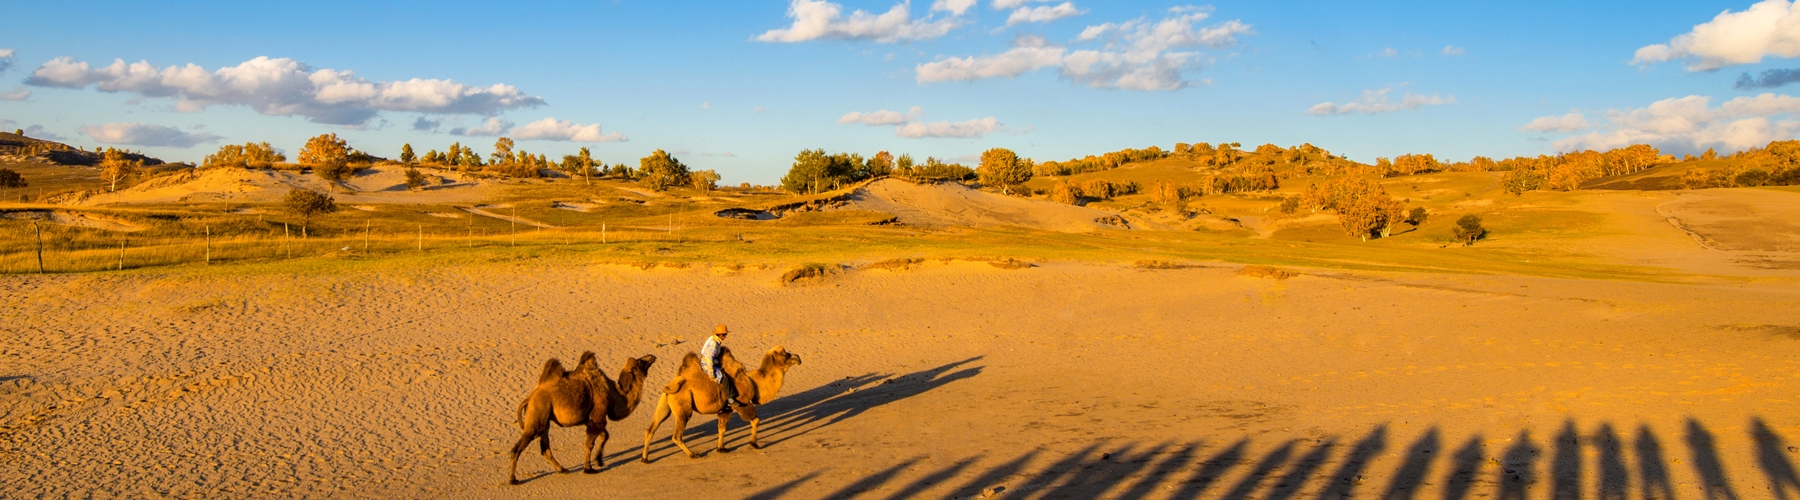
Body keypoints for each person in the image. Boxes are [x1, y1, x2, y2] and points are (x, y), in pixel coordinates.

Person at [700, 324, 739, 411]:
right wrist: (711, 374)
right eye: (724, 334)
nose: (725, 336)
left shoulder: (714, 339)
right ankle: (730, 399)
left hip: (711, 361)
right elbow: (709, 359)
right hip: (707, 364)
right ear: (720, 334)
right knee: (724, 378)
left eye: (725, 334)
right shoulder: (713, 344)